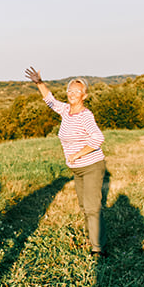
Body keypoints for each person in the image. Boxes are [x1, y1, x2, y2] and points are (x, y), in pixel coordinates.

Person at [24, 67, 109, 257]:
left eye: (77, 91)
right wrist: (39, 82)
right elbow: (50, 100)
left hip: (91, 166)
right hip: (77, 170)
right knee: (84, 206)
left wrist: (78, 154)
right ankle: (93, 238)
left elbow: (97, 138)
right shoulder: (66, 111)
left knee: (92, 207)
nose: (72, 94)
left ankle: (98, 248)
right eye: (70, 90)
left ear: (84, 95)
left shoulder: (85, 115)